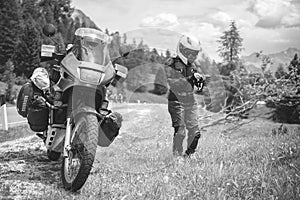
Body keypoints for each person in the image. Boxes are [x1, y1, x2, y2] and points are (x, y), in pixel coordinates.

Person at [164, 34, 210, 157]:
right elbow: (173, 83)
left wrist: (201, 80)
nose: (193, 56)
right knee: (180, 132)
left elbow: (198, 83)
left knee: (195, 132)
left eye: (195, 54)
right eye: (190, 53)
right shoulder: (171, 63)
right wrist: (191, 77)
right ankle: (177, 157)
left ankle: (189, 155)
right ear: (182, 50)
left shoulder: (193, 66)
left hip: (191, 102)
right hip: (176, 102)